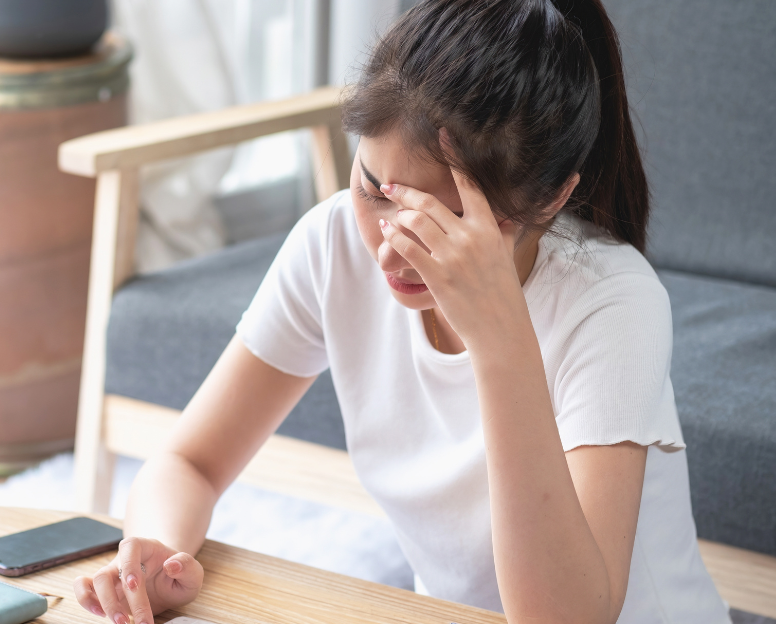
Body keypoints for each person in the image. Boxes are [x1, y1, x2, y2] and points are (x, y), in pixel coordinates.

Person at [72, 0, 730, 622]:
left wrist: (500, 340)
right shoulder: (332, 244)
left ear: (553, 197)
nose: (392, 251)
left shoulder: (611, 304)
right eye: (374, 190)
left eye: (444, 225)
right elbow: (191, 462)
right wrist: (154, 549)